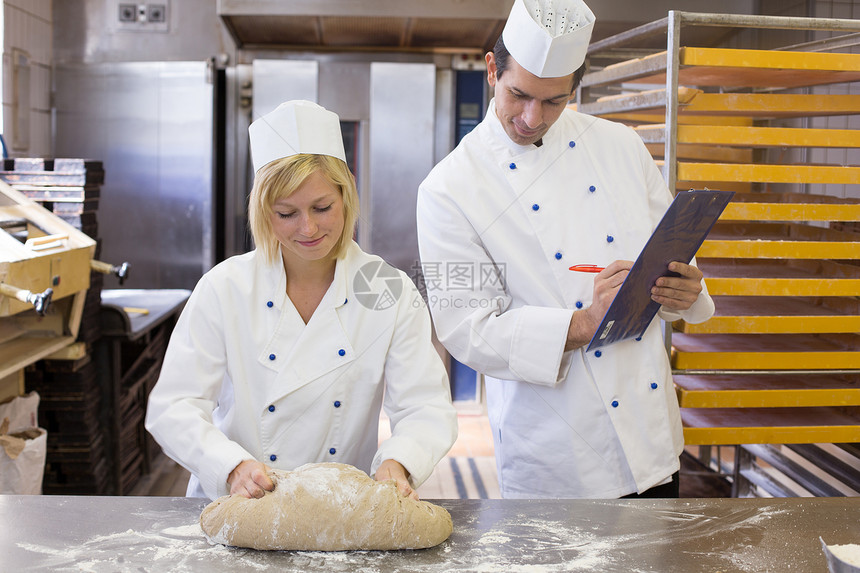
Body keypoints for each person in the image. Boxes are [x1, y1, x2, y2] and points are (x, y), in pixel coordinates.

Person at [416, 0, 714, 499]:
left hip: (652, 444)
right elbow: (468, 329)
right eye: (520, 95)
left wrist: (684, 286)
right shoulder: (447, 188)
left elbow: (672, 252)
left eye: (554, 102)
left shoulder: (621, 145)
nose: (533, 117)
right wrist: (583, 323)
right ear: (493, 70)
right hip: (557, 460)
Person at [146, 100, 457, 501]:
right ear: (264, 212)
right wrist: (230, 466)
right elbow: (174, 406)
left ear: (345, 196)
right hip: (240, 503)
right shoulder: (225, 288)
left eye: (322, 207)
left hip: (342, 507)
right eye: (286, 213)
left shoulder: (388, 289)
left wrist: (397, 463)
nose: (308, 228)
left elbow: (425, 407)